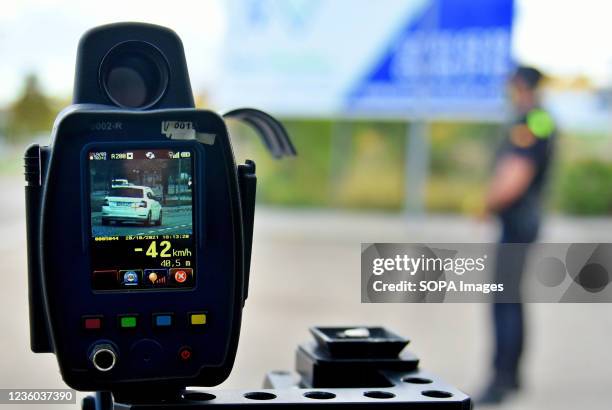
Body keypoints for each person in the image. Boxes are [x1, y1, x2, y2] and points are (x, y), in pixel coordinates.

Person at [477, 66, 556, 405]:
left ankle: (501, 380)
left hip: (518, 221)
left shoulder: (529, 121)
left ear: (521, 86)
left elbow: (517, 173)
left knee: (503, 301)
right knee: (512, 298)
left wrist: (487, 203)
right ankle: (514, 375)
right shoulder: (541, 119)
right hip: (527, 221)